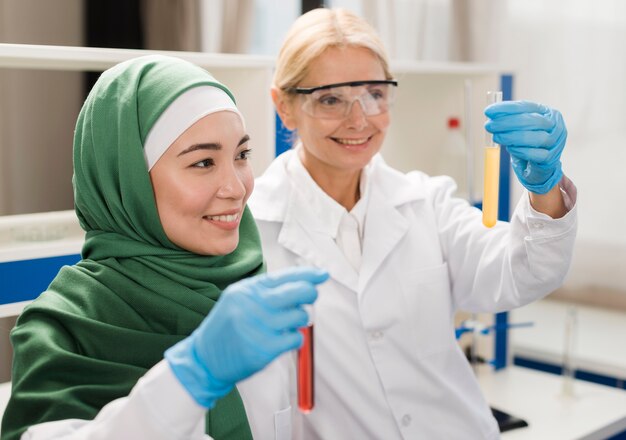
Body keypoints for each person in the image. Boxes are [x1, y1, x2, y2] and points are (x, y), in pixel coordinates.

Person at [248, 7, 577, 440]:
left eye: (374, 93)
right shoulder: (249, 231)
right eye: (330, 98)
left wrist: (544, 187)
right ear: (284, 106)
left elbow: (524, 271)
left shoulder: (425, 202)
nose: (359, 119)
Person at [1, 55, 328, 440]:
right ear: (130, 181)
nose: (237, 188)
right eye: (204, 162)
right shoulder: (65, 326)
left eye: (241, 155)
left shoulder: (256, 277)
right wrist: (191, 374)